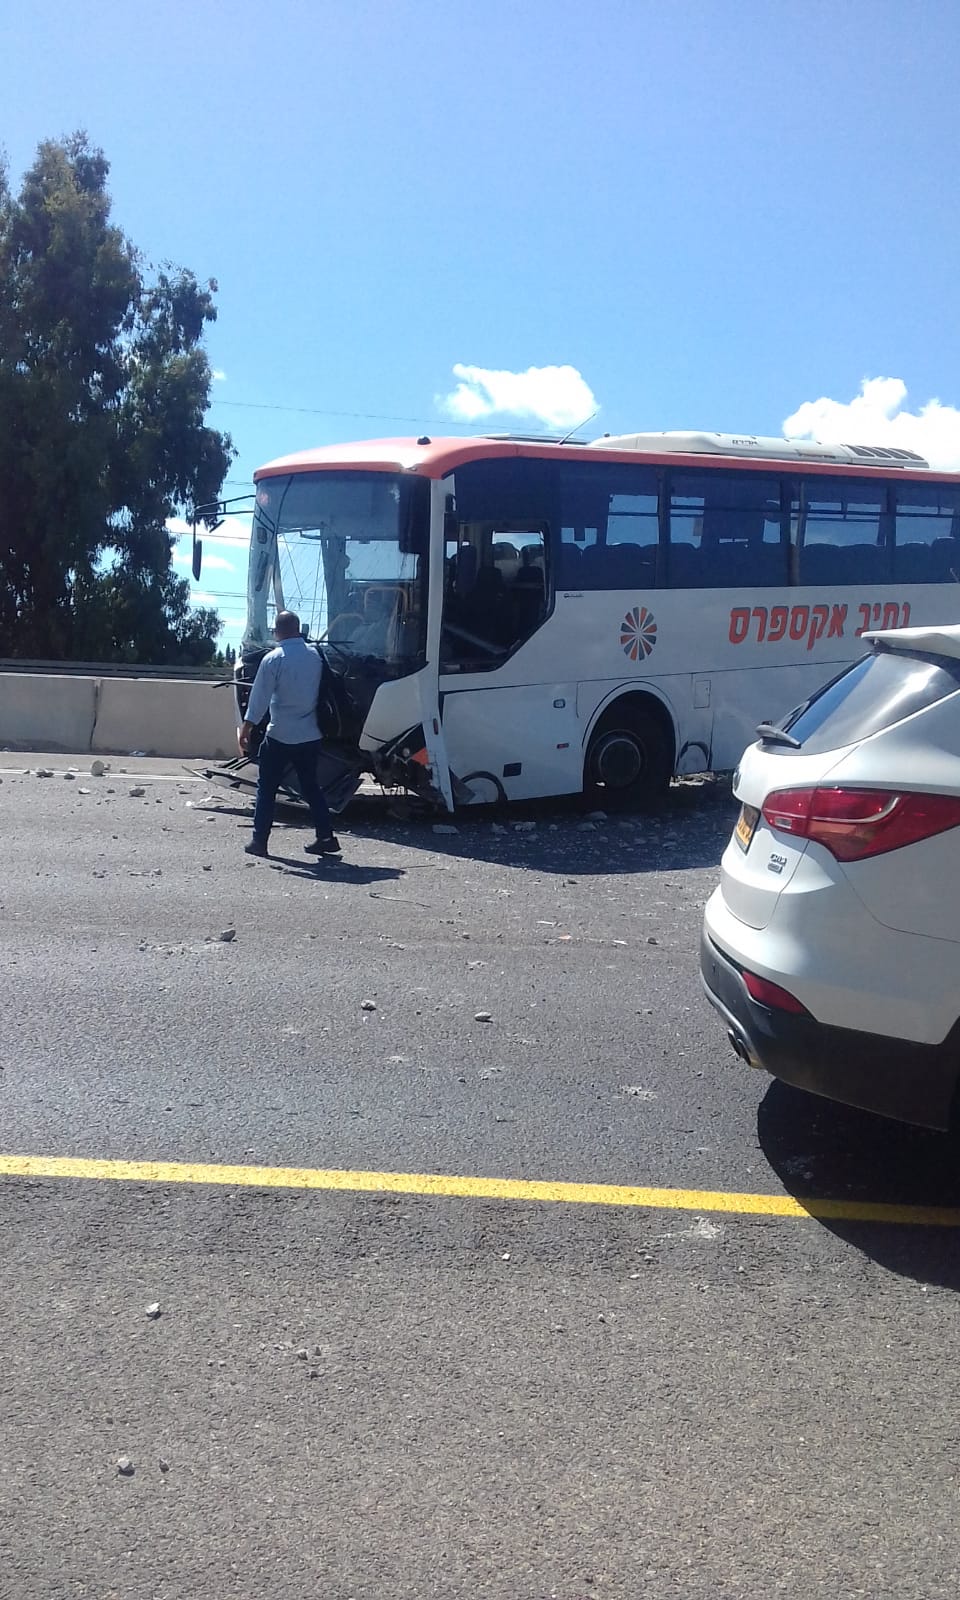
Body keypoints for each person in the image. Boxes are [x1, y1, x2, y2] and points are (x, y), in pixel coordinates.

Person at [237, 611, 341, 859]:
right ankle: (325, 837)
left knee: (267, 788)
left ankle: (259, 841)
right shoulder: (316, 657)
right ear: (298, 628)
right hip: (309, 735)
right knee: (311, 787)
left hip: (280, 735)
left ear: (279, 630)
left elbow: (260, 698)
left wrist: (247, 728)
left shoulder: (273, 659)